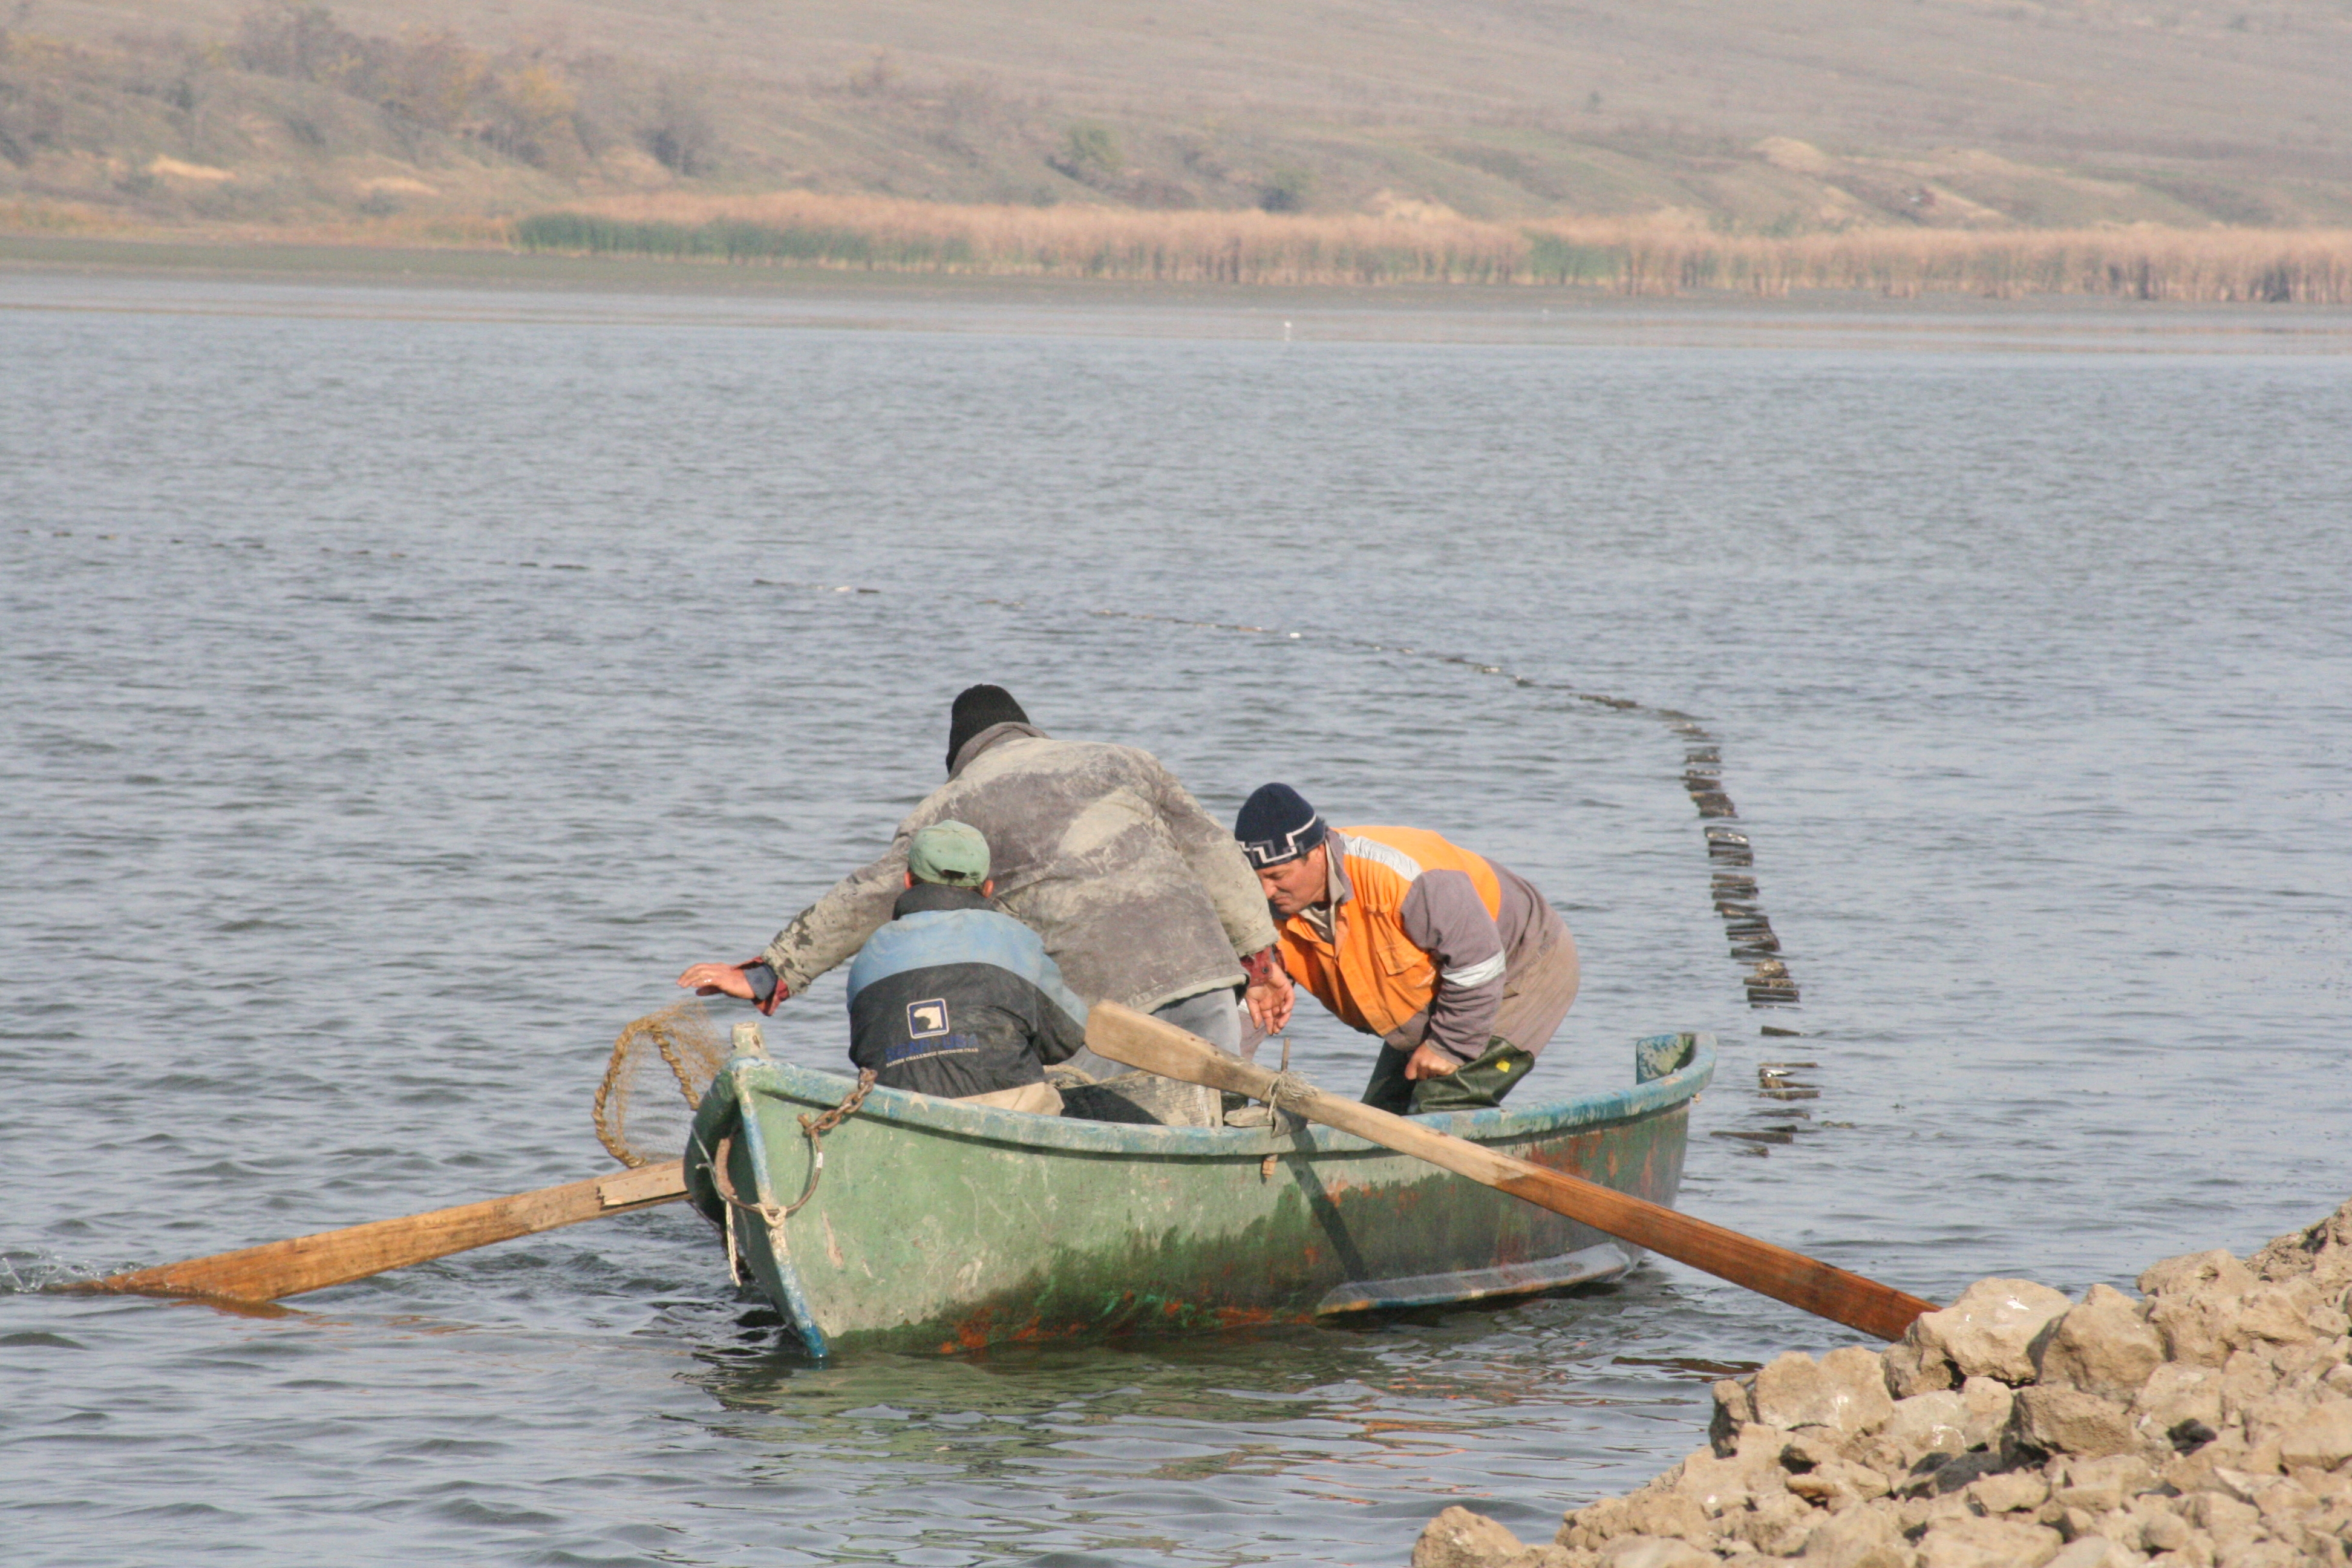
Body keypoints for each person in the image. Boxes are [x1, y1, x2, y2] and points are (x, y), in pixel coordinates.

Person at [679, 685, 1293, 1103]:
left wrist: (771, 973)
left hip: (1108, 1015)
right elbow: (1217, 852)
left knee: (1096, 1113)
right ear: (1028, 729)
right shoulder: (1122, 761)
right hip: (1207, 983)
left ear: (959, 758)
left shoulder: (955, 805)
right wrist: (1263, 965)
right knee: (1211, 1117)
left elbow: (868, 896)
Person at [1234, 782, 1579, 1116]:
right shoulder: (1256, 910)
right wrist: (1224, 1082)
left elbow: (1479, 964)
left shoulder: (1406, 877)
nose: (1265, 892)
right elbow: (1246, 1008)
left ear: (1318, 852)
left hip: (1522, 968)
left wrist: (1449, 1045)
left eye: (1278, 876)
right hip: (1438, 992)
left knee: (1440, 1108)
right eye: (1256, 878)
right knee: (1377, 1119)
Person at [842, 820, 1086, 1114]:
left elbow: (865, 1050)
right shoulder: (1012, 937)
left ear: (908, 881)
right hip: (1010, 1109)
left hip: (900, 1114)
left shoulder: (870, 953)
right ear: (988, 888)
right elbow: (1067, 1035)